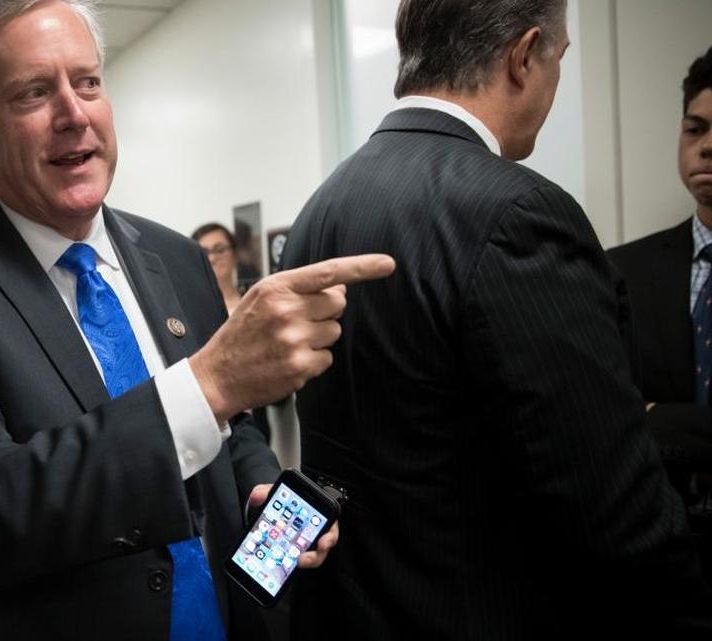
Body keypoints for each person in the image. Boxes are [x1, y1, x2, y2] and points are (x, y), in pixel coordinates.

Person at [0, 1, 394, 640]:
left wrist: (260, 485)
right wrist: (207, 383)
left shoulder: (176, 257)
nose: (73, 114)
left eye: (88, 82)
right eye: (33, 92)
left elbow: (230, 426)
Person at [281, 1, 712, 638]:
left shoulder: (325, 205)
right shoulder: (518, 215)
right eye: (559, 61)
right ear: (524, 55)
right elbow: (612, 503)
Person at [609, 45, 712, 583]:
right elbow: (608, 419)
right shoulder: (621, 270)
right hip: (658, 552)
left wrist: (656, 416)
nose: (707, 149)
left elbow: (638, 418)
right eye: (694, 130)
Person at [192, 223, 242, 315]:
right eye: (204, 253)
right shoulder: (189, 309)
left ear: (235, 254)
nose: (212, 258)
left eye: (220, 250)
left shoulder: (253, 303)